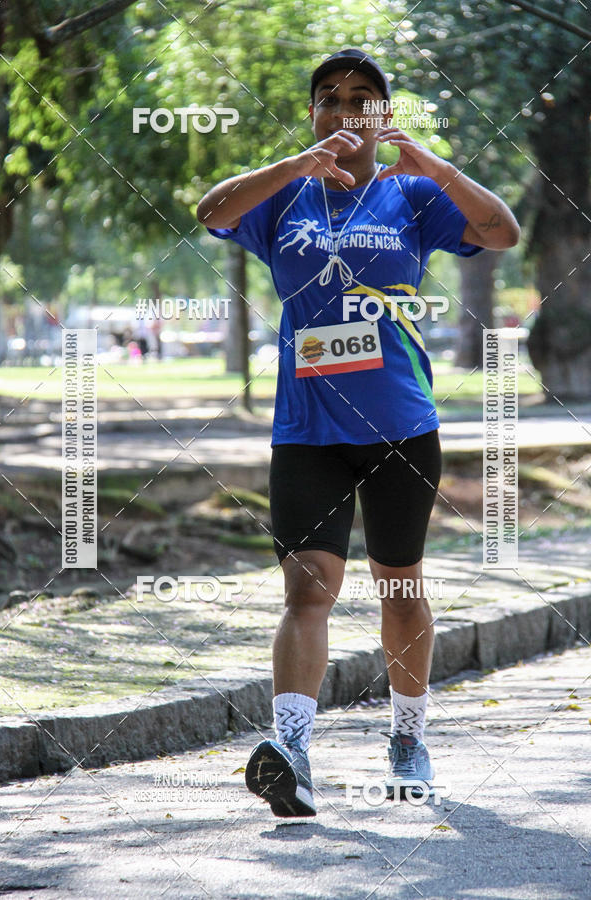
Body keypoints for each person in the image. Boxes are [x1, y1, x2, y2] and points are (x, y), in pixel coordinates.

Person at [197, 48, 520, 817]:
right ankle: (293, 752)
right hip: (306, 430)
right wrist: (295, 164)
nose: (344, 109)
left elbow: (500, 231)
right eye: (329, 98)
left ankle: (408, 737)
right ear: (312, 114)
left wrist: (437, 167)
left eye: (361, 97)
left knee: (399, 586)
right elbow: (212, 211)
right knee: (307, 588)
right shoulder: (284, 196)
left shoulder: (411, 195)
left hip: (401, 426)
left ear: (382, 113)